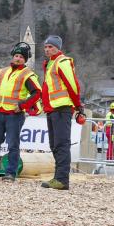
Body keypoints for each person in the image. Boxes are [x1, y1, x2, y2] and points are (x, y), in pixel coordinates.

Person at [0, 42, 41, 181]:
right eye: (16, 56)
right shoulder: (2, 72)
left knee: (13, 144)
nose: (18, 58)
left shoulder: (28, 74)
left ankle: (11, 173)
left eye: (21, 57)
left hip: (15, 114)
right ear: (13, 56)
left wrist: (22, 105)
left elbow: (37, 93)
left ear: (25, 59)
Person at [40, 35, 83, 190]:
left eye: (50, 47)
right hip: (53, 108)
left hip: (62, 107)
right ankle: (58, 177)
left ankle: (62, 179)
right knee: (55, 144)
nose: (47, 49)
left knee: (61, 144)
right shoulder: (50, 63)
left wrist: (78, 105)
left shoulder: (62, 62)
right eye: (46, 47)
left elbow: (73, 84)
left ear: (58, 48)